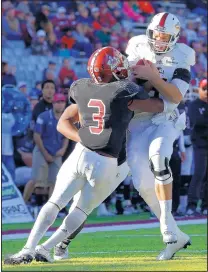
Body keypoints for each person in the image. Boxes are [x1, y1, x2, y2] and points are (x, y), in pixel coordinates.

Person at [4, 46, 164, 265]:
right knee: (81, 209)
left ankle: (28, 248)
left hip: (82, 153)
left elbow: (80, 112)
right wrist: (154, 77)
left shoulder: (80, 87)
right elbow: (158, 105)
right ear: (111, 71)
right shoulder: (124, 89)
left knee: (54, 203)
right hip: (107, 160)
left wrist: (86, 137)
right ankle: (46, 248)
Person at [124, 12, 195, 259]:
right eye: (157, 35)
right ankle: (175, 233)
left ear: (175, 37)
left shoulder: (182, 56)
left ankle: (166, 223)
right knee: (142, 182)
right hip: (138, 122)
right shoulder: (136, 46)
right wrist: (135, 77)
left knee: (159, 156)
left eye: (165, 36)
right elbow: (126, 82)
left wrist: (154, 77)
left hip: (166, 117)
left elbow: (174, 97)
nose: (160, 40)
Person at [23, 93, 69, 204]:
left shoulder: (66, 119)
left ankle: (49, 209)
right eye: (57, 102)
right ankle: (23, 204)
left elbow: (66, 136)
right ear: (53, 103)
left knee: (55, 182)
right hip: (41, 150)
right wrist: (45, 154)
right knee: (35, 180)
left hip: (56, 152)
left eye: (62, 102)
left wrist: (63, 149)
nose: (60, 105)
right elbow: (36, 136)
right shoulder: (43, 117)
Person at [186, 79, 208, 215]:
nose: (206, 92)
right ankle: (191, 205)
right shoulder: (194, 105)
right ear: (199, 90)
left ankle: (205, 205)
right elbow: (197, 121)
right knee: (199, 174)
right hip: (200, 144)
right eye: (204, 89)